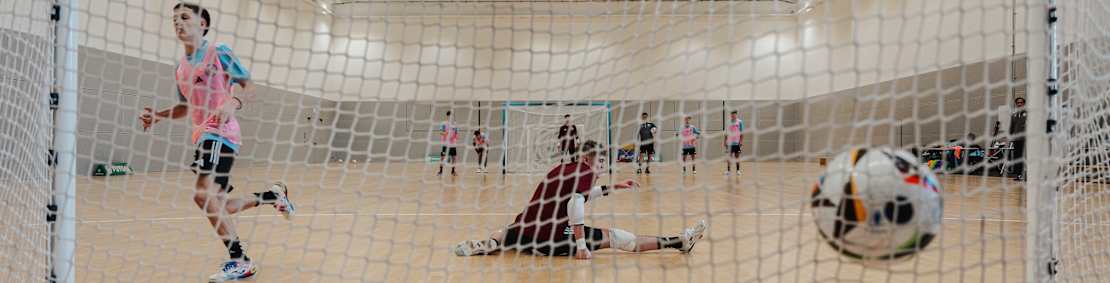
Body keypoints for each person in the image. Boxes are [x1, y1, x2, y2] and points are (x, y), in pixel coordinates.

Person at [139, 3, 295, 281]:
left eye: (184, 17)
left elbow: (248, 86)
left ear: (202, 24)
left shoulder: (218, 52)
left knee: (203, 195)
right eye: (174, 19)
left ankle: (240, 261)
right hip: (203, 136)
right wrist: (158, 116)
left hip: (221, 133)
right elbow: (185, 107)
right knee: (220, 206)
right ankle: (272, 196)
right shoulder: (180, 68)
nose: (178, 22)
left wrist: (232, 103)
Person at [452, 140, 707, 259]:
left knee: (505, 231)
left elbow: (578, 195)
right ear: (587, 159)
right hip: (552, 239)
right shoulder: (585, 172)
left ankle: (490, 243)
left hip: (526, 230)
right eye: (600, 162)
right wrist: (582, 246)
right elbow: (575, 204)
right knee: (616, 237)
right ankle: (679, 242)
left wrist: (613, 187)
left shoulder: (564, 169)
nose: (603, 166)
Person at [1008, 97, 1027, 181]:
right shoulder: (1014, 115)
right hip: (1016, 139)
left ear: (1024, 104)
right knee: (1017, 157)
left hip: (1025, 140)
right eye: (1018, 103)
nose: (1019, 104)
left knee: (1024, 157)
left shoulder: (1028, 114)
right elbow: (1011, 128)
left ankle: (1026, 174)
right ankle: (1019, 175)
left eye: (1021, 102)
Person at [439, 111, 460, 176]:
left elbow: (457, 134)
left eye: (452, 116)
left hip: (452, 144)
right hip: (445, 144)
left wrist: (456, 137)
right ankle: (440, 171)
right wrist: (445, 133)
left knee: (454, 157)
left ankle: (453, 171)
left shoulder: (455, 124)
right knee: (442, 157)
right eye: (450, 116)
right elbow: (441, 132)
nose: (451, 117)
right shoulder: (443, 124)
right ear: (447, 116)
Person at [724, 111, 745, 175]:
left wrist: (741, 141)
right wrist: (725, 141)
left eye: (734, 114)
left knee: (737, 157)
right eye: (732, 114)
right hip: (729, 143)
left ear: (736, 114)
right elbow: (726, 133)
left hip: (737, 143)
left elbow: (742, 132)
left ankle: (738, 170)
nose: (733, 115)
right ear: (731, 115)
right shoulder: (728, 122)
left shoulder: (740, 122)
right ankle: (729, 171)